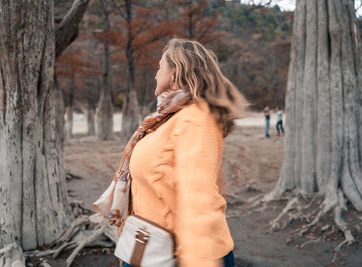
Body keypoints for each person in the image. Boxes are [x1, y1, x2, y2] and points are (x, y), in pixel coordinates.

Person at [93, 38, 247, 267]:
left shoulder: (196, 119)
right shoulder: (164, 119)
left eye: (159, 67)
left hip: (180, 255)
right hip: (146, 246)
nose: (156, 74)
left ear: (174, 73)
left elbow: (200, 199)